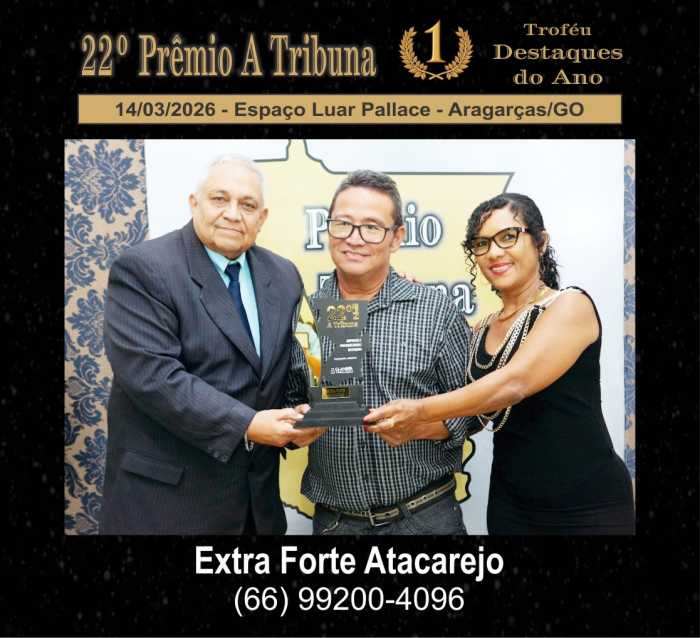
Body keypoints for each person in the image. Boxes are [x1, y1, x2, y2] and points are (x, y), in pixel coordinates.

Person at [365, 193, 635, 535]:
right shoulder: (481, 330)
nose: (493, 252)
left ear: (540, 242)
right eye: (481, 243)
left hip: (588, 506)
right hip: (512, 506)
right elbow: (472, 415)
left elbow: (512, 384)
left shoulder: (570, 305)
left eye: (508, 236)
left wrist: (417, 411)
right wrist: (413, 299)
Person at [100, 155, 323, 535]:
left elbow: (288, 365)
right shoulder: (144, 268)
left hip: (256, 509)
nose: (233, 214)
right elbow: (153, 377)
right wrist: (248, 424)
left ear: (262, 218)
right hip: (168, 506)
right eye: (220, 199)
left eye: (247, 205)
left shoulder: (284, 275)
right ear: (194, 203)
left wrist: (301, 416)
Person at [295, 170, 474, 535]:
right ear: (328, 230)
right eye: (343, 224)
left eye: (372, 227)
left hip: (424, 518)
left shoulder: (435, 311)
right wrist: (298, 420)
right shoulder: (305, 316)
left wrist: (422, 426)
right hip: (336, 524)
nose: (354, 238)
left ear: (397, 237)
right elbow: (289, 399)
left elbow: (473, 408)